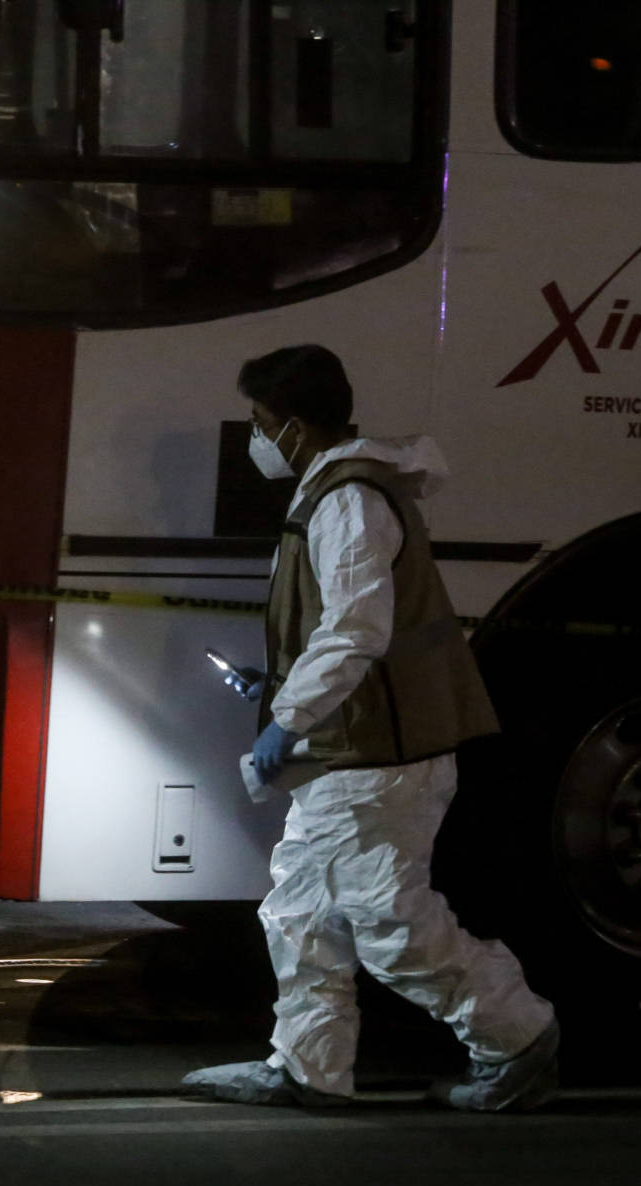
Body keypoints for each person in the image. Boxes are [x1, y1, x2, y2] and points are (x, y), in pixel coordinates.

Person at [181, 344, 559, 1113]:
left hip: (381, 754)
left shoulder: (349, 501)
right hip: (358, 745)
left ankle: (518, 1038)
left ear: (292, 426)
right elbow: (346, 632)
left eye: (260, 423)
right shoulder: (335, 493)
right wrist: (285, 693)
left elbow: (356, 629)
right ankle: (310, 1068)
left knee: (389, 923)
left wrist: (286, 720)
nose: (256, 439)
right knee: (302, 912)